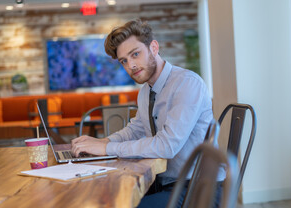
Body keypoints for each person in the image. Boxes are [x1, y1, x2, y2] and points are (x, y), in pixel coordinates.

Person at [71, 19, 225, 207]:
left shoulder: (187, 84)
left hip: (199, 187)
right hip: (167, 182)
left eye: (135, 54)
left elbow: (167, 145)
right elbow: (136, 129)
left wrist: (106, 149)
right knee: (105, 195)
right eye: (124, 61)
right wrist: (103, 142)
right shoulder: (146, 91)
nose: (131, 65)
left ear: (153, 47)